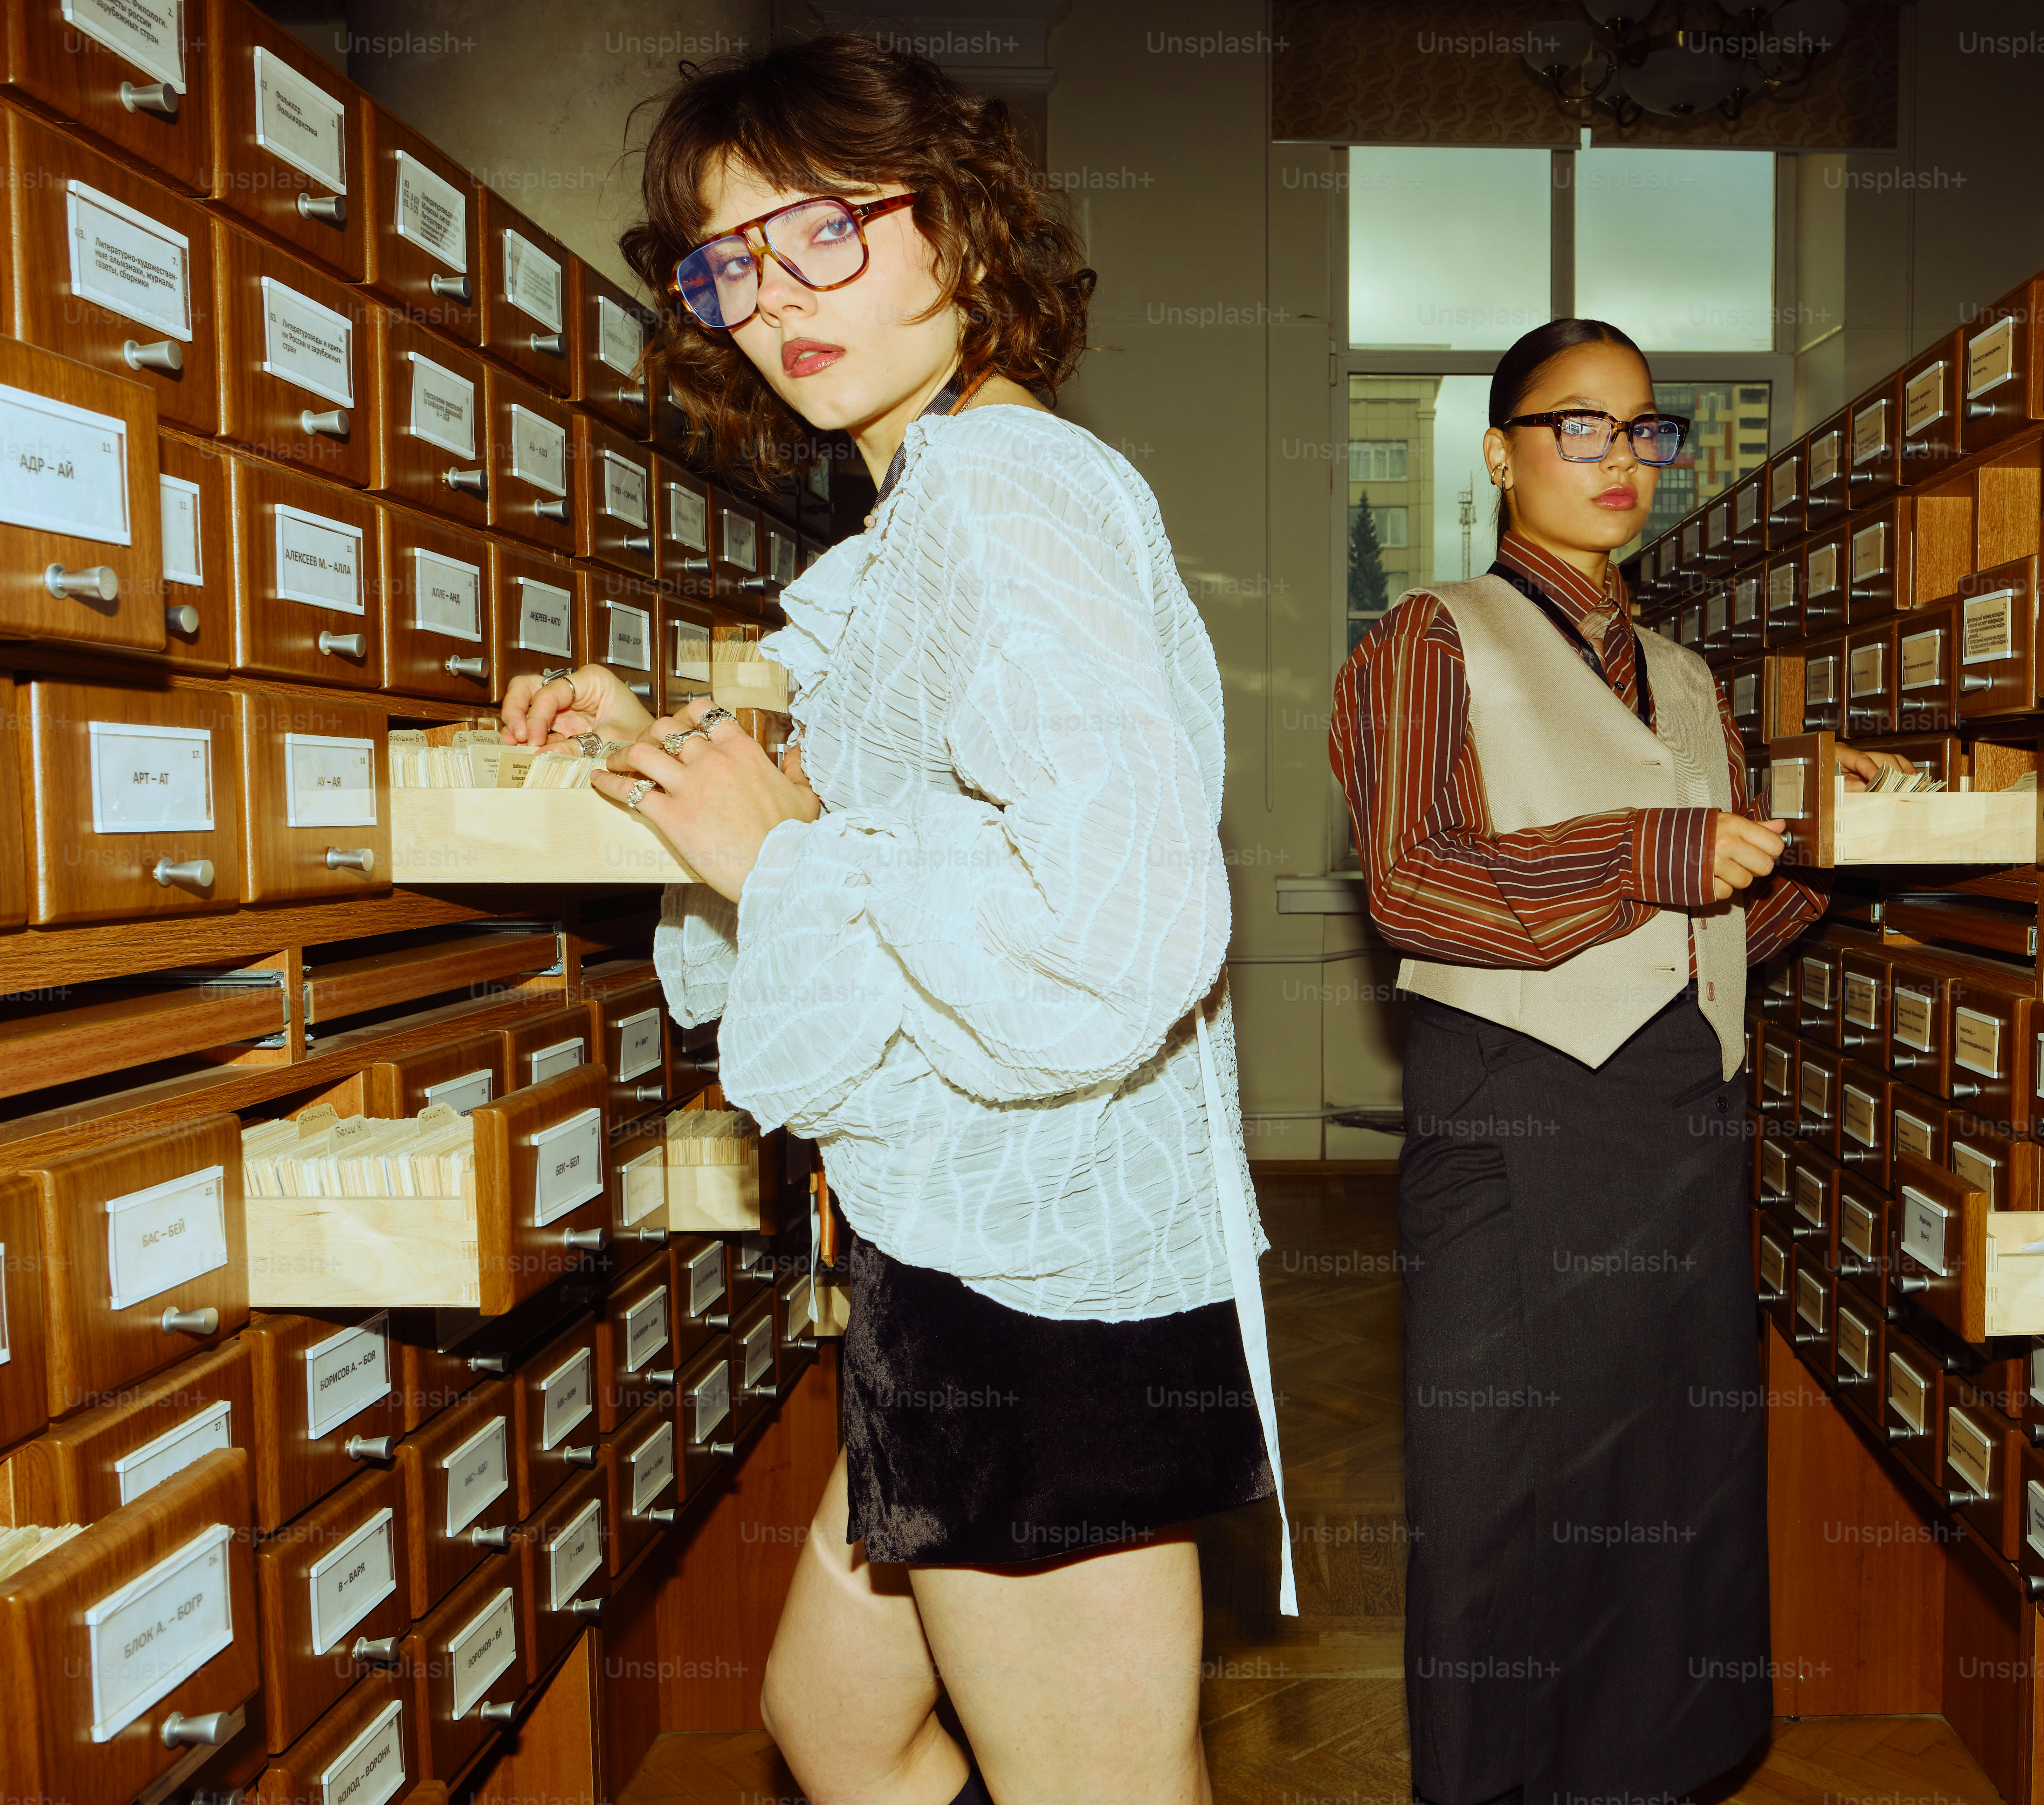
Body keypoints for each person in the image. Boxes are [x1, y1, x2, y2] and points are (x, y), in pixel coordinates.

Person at [499, 37, 1291, 1805]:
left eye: (821, 231)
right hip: (958, 1255)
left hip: (1043, 1303)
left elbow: (1125, 921)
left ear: (955, 221)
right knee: (837, 1730)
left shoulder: (1008, 498)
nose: (774, 296)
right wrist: (655, 753)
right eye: (731, 261)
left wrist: (785, 862)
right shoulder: (930, 505)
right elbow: (894, 805)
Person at [1327, 318, 1907, 1803]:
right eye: (1578, 426)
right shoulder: (1425, 638)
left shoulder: (1686, 674)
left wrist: (1832, 844)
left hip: (1677, 1114)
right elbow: (1414, 880)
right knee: (1513, 1497)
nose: (1620, 460)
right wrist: (1664, 849)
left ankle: (1654, 1773)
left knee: (1674, 1478)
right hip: (1518, 1118)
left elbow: (1719, 931)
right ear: (1501, 448)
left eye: (1646, 430)